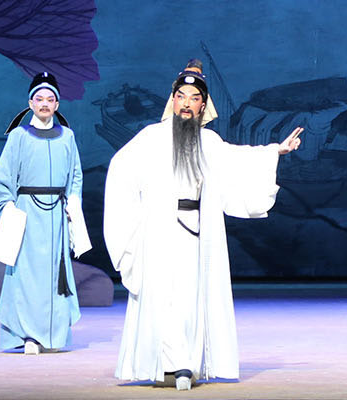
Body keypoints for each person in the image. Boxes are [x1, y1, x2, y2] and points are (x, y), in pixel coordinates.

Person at [105, 59, 302, 390]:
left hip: (198, 231)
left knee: (191, 298)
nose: (186, 103)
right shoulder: (150, 138)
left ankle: (185, 363)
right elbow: (120, 172)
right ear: (173, 100)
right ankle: (174, 364)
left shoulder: (209, 141)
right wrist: (136, 219)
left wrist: (275, 152)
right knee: (164, 296)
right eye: (181, 96)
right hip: (158, 230)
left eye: (194, 98)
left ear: (202, 105)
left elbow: (238, 159)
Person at [0, 72, 89, 355]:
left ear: (57, 105)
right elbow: (4, 177)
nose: (44, 104)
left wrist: (73, 202)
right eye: (39, 99)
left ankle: (53, 335)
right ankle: (29, 335)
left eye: (50, 99)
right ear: (30, 103)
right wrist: (9, 209)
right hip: (28, 212)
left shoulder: (67, 136)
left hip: (56, 214)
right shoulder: (18, 137)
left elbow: (75, 175)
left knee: (55, 276)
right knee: (28, 275)